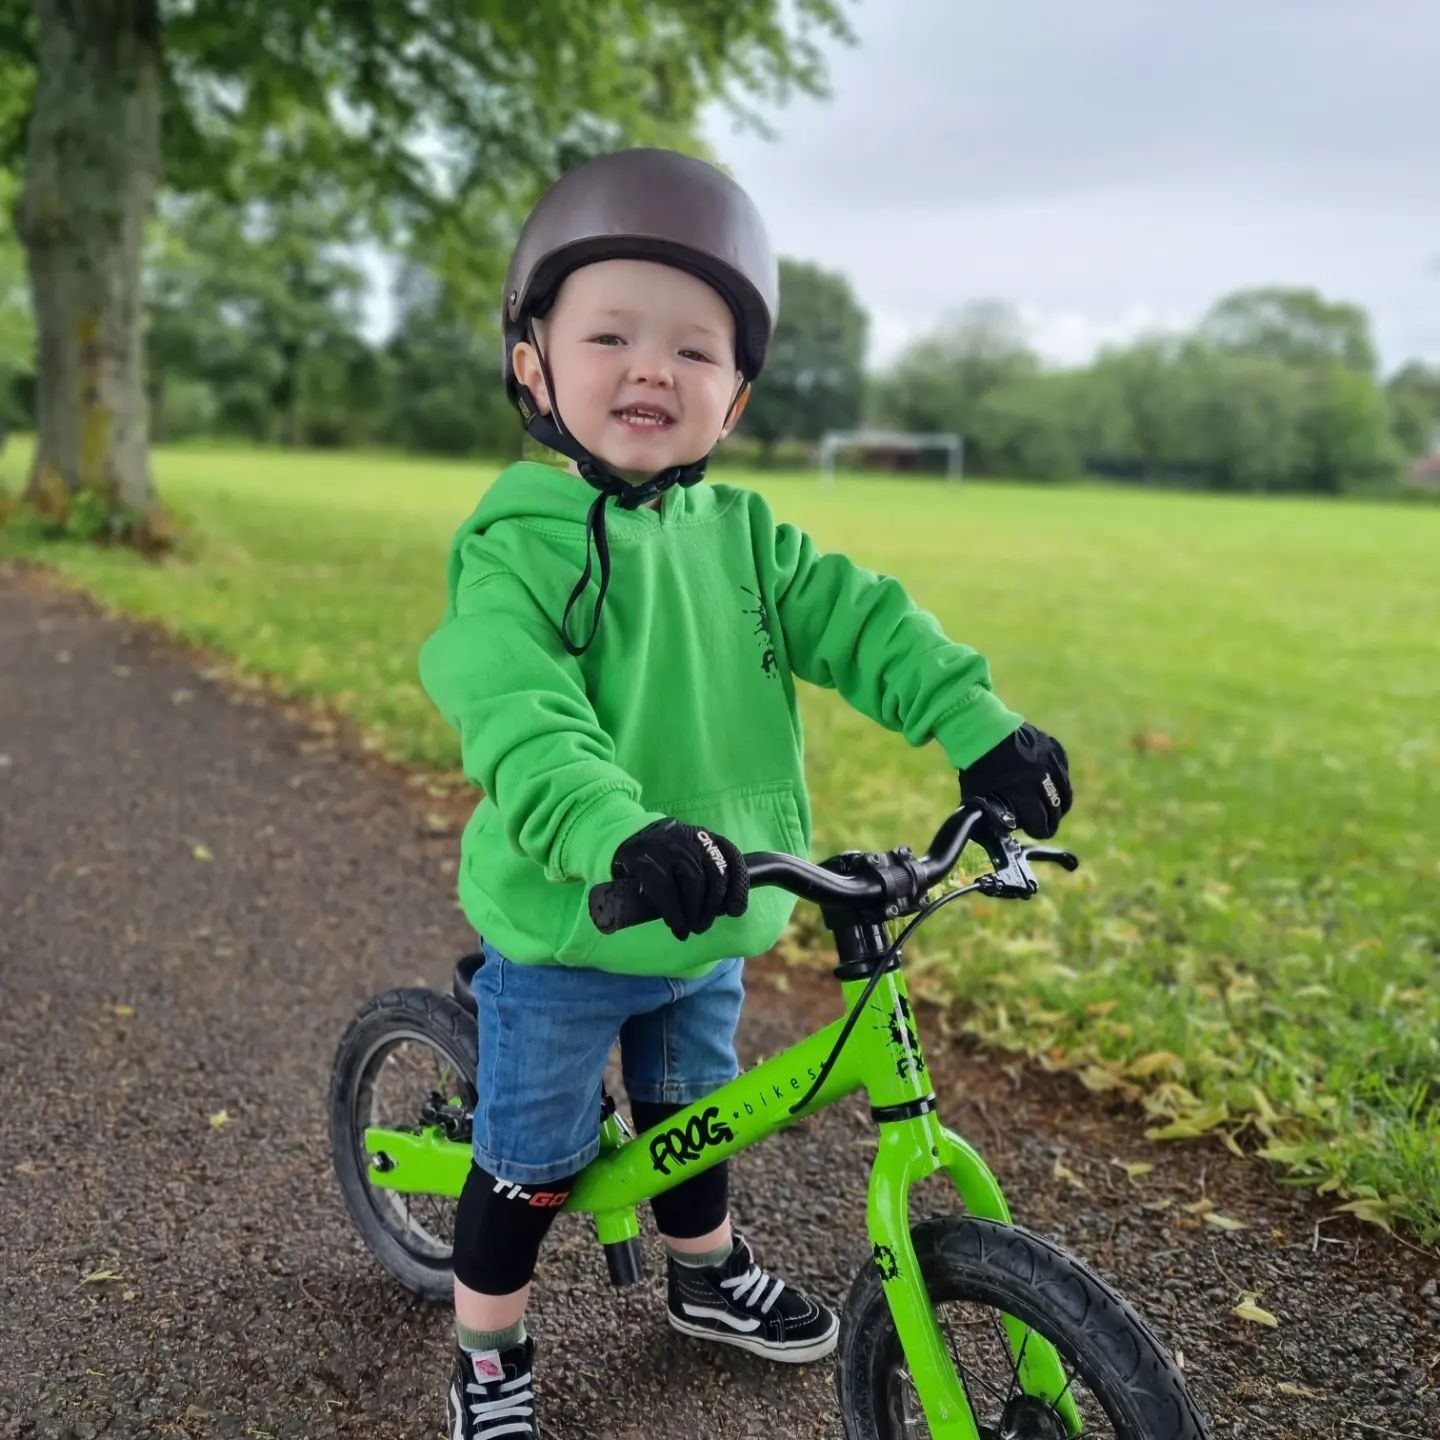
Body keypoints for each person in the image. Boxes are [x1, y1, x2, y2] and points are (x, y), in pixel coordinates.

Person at [419, 147, 1072, 1439]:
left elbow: (863, 621)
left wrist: (974, 724)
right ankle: (487, 1345)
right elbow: (521, 716)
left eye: (694, 351)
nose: (653, 368)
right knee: (530, 1166)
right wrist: (617, 831)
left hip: (716, 908)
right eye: (611, 334)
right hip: (577, 922)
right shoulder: (518, 544)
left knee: (690, 1117)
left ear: (738, 399)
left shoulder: (748, 538)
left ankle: (705, 1272)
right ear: (533, 367)